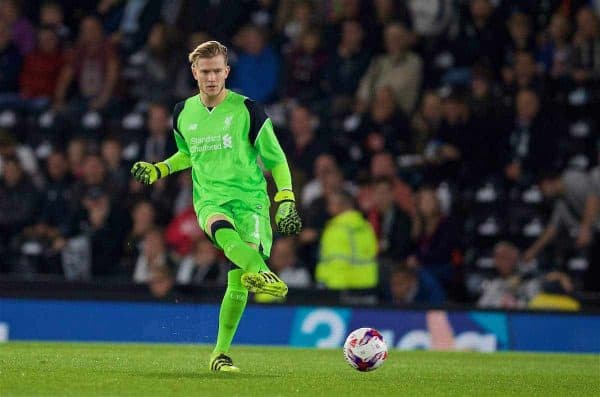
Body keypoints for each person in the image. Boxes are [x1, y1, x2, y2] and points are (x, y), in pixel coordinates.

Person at [131, 40, 301, 372]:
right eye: (205, 71)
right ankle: (263, 273)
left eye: (217, 71)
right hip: (209, 199)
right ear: (195, 72)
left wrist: (286, 198)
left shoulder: (249, 110)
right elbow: (187, 154)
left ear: (227, 71)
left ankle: (219, 353)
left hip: (251, 202)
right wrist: (159, 169)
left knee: (237, 280)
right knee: (225, 238)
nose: (211, 78)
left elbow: (276, 158)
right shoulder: (182, 112)